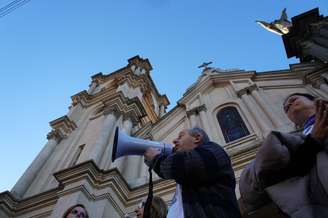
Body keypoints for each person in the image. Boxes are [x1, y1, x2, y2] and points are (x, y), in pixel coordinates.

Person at [239, 93, 328, 218]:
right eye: (286, 108)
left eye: (293, 100)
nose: (289, 105)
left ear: (314, 101)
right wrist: (313, 142)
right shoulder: (290, 141)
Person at [144, 127, 241, 218]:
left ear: (197, 138)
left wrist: (156, 159)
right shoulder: (188, 180)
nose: (174, 141)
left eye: (181, 136)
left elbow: (180, 165)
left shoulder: (214, 150)